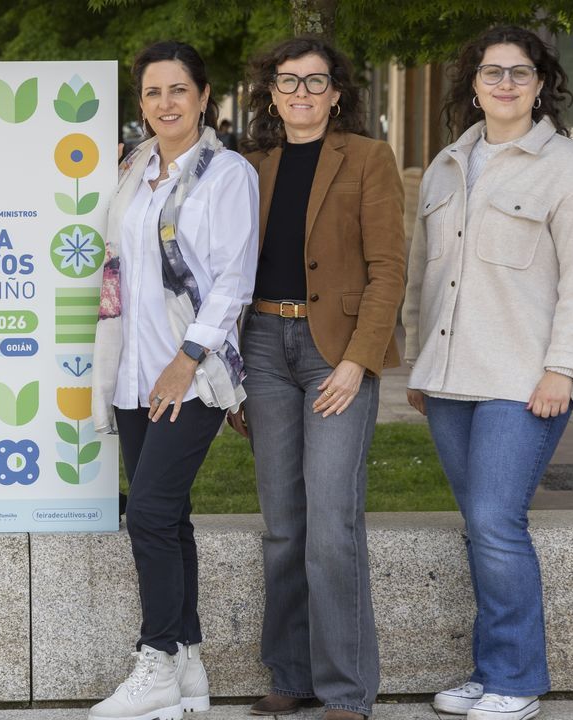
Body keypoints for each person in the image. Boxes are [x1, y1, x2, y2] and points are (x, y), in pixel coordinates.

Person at [403, 26, 573, 720]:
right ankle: (490, 669)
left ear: (541, 85)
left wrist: (562, 369)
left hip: (523, 379)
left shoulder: (564, 166)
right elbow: (427, 276)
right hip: (450, 380)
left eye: (520, 72)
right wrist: (418, 362)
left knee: (495, 519)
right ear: (472, 85)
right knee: (480, 528)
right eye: (492, 72)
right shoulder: (448, 163)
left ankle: (517, 679)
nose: (505, 84)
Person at [231, 36, 406, 720]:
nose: (301, 94)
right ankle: (292, 674)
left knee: (332, 522)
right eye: (288, 82)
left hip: (337, 351)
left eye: (315, 82)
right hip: (265, 347)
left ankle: (345, 691)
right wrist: (234, 371)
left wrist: (358, 360)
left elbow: (389, 269)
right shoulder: (250, 165)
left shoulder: (367, 158)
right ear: (271, 93)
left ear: (337, 93)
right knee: (283, 524)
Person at [88, 40, 258, 720]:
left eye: (178, 90)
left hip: (191, 375)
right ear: (142, 103)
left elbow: (233, 281)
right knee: (170, 519)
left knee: (151, 514)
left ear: (204, 95)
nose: (166, 103)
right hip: (133, 372)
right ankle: (188, 668)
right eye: (154, 92)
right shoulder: (134, 166)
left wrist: (185, 358)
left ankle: (155, 659)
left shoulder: (226, 174)